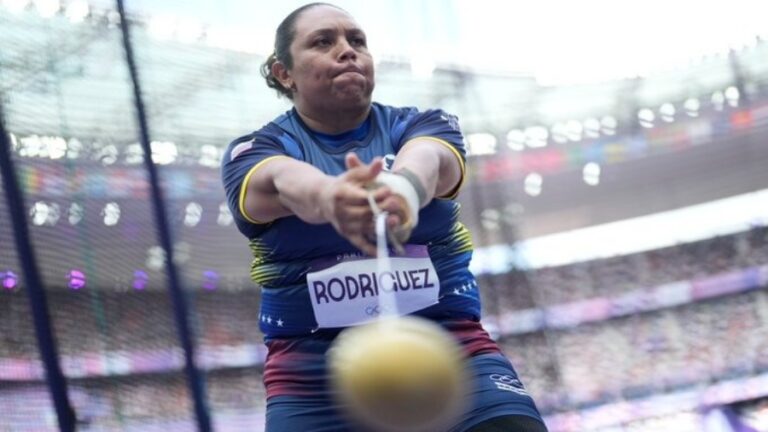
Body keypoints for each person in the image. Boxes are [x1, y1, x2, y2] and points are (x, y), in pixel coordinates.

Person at [221, 3, 548, 431]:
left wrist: (403, 190)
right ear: (285, 73)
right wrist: (330, 196)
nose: (347, 51)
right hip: (314, 371)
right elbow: (282, 181)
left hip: (448, 342)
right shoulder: (255, 149)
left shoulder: (422, 123)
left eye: (357, 41)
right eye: (324, 42)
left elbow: (430, 159)